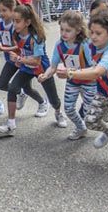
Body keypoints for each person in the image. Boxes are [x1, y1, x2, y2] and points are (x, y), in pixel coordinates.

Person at [60, 9, 108, 163]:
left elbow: (96, 72)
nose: (93, 36)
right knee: (90, 120)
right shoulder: (91, 44)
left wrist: (70, 73)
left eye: (98, 33)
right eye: (91, 32)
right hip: (104, 91)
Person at [0, 3, 63, 136]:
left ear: (27, 22)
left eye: (17, 21)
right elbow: (20, 47)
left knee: (54, 98)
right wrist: (5, 49)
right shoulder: (17, 34)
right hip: (26, 67)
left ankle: (58, 112)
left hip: (41, 69)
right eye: (13, 21)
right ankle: (11, 124)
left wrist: (18, 59)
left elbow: (36, 61)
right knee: (13, 88)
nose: (14, 24)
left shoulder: (36, 37)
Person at [39, 11, 93, 140]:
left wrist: (78, 72)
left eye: (68, 30)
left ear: (78, 30)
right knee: (68, 109)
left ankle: (101, 113)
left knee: (90, 111)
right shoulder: (59, 45)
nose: (63, 33)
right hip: (72, 81)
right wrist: (45, 75)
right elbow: (53, 66)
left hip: (89, 81)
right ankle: (81, 128)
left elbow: (93, 66)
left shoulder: (84, 44)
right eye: (61, 29)